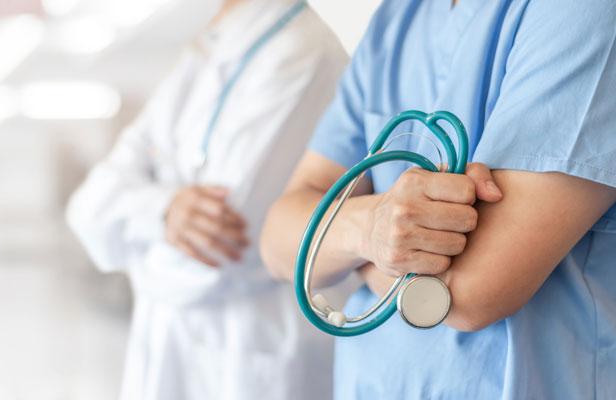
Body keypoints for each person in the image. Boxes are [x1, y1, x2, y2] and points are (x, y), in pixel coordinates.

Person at [259, 0, 616, 398]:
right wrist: (370, 228)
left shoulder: (588, 10)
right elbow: (278, 243)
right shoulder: (397, 18)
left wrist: (350, 246)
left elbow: (465, 295)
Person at [66, 0, 349, 398]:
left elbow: (218, 248)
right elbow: (88, 208)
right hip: (174, 341)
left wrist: (137, 234)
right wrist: (164, 212)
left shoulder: (302, 50)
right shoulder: (206, 46)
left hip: (252, 345)